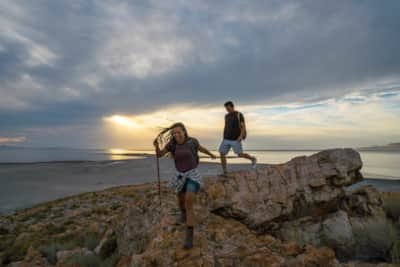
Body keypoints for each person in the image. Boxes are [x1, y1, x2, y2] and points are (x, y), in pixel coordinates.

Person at [153, 122, 216, 249]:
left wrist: (210, 154)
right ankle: (182, 213)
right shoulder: (172, 144)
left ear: (184, 131)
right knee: (181, 201)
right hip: (180, 176)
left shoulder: (192, 141)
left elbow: (201, 148)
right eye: (174, 133)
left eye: (178, 132)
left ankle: (189, 235)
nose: (176, 134)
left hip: (193, 175)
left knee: (188, 202)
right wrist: (156, 147)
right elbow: (159, 155)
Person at [219, 101, 257, 174]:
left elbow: (243, 127)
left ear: (232, 106)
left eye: (228, 108)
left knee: (240, 154)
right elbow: (226, 126)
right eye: (226, 108)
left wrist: (241, 136)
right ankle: (225, 171)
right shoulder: (226, 116)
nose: (227, 109)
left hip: (235, 139)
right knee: (221, 153)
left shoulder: (239, 114)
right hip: (226, 138)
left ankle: (252, 159)